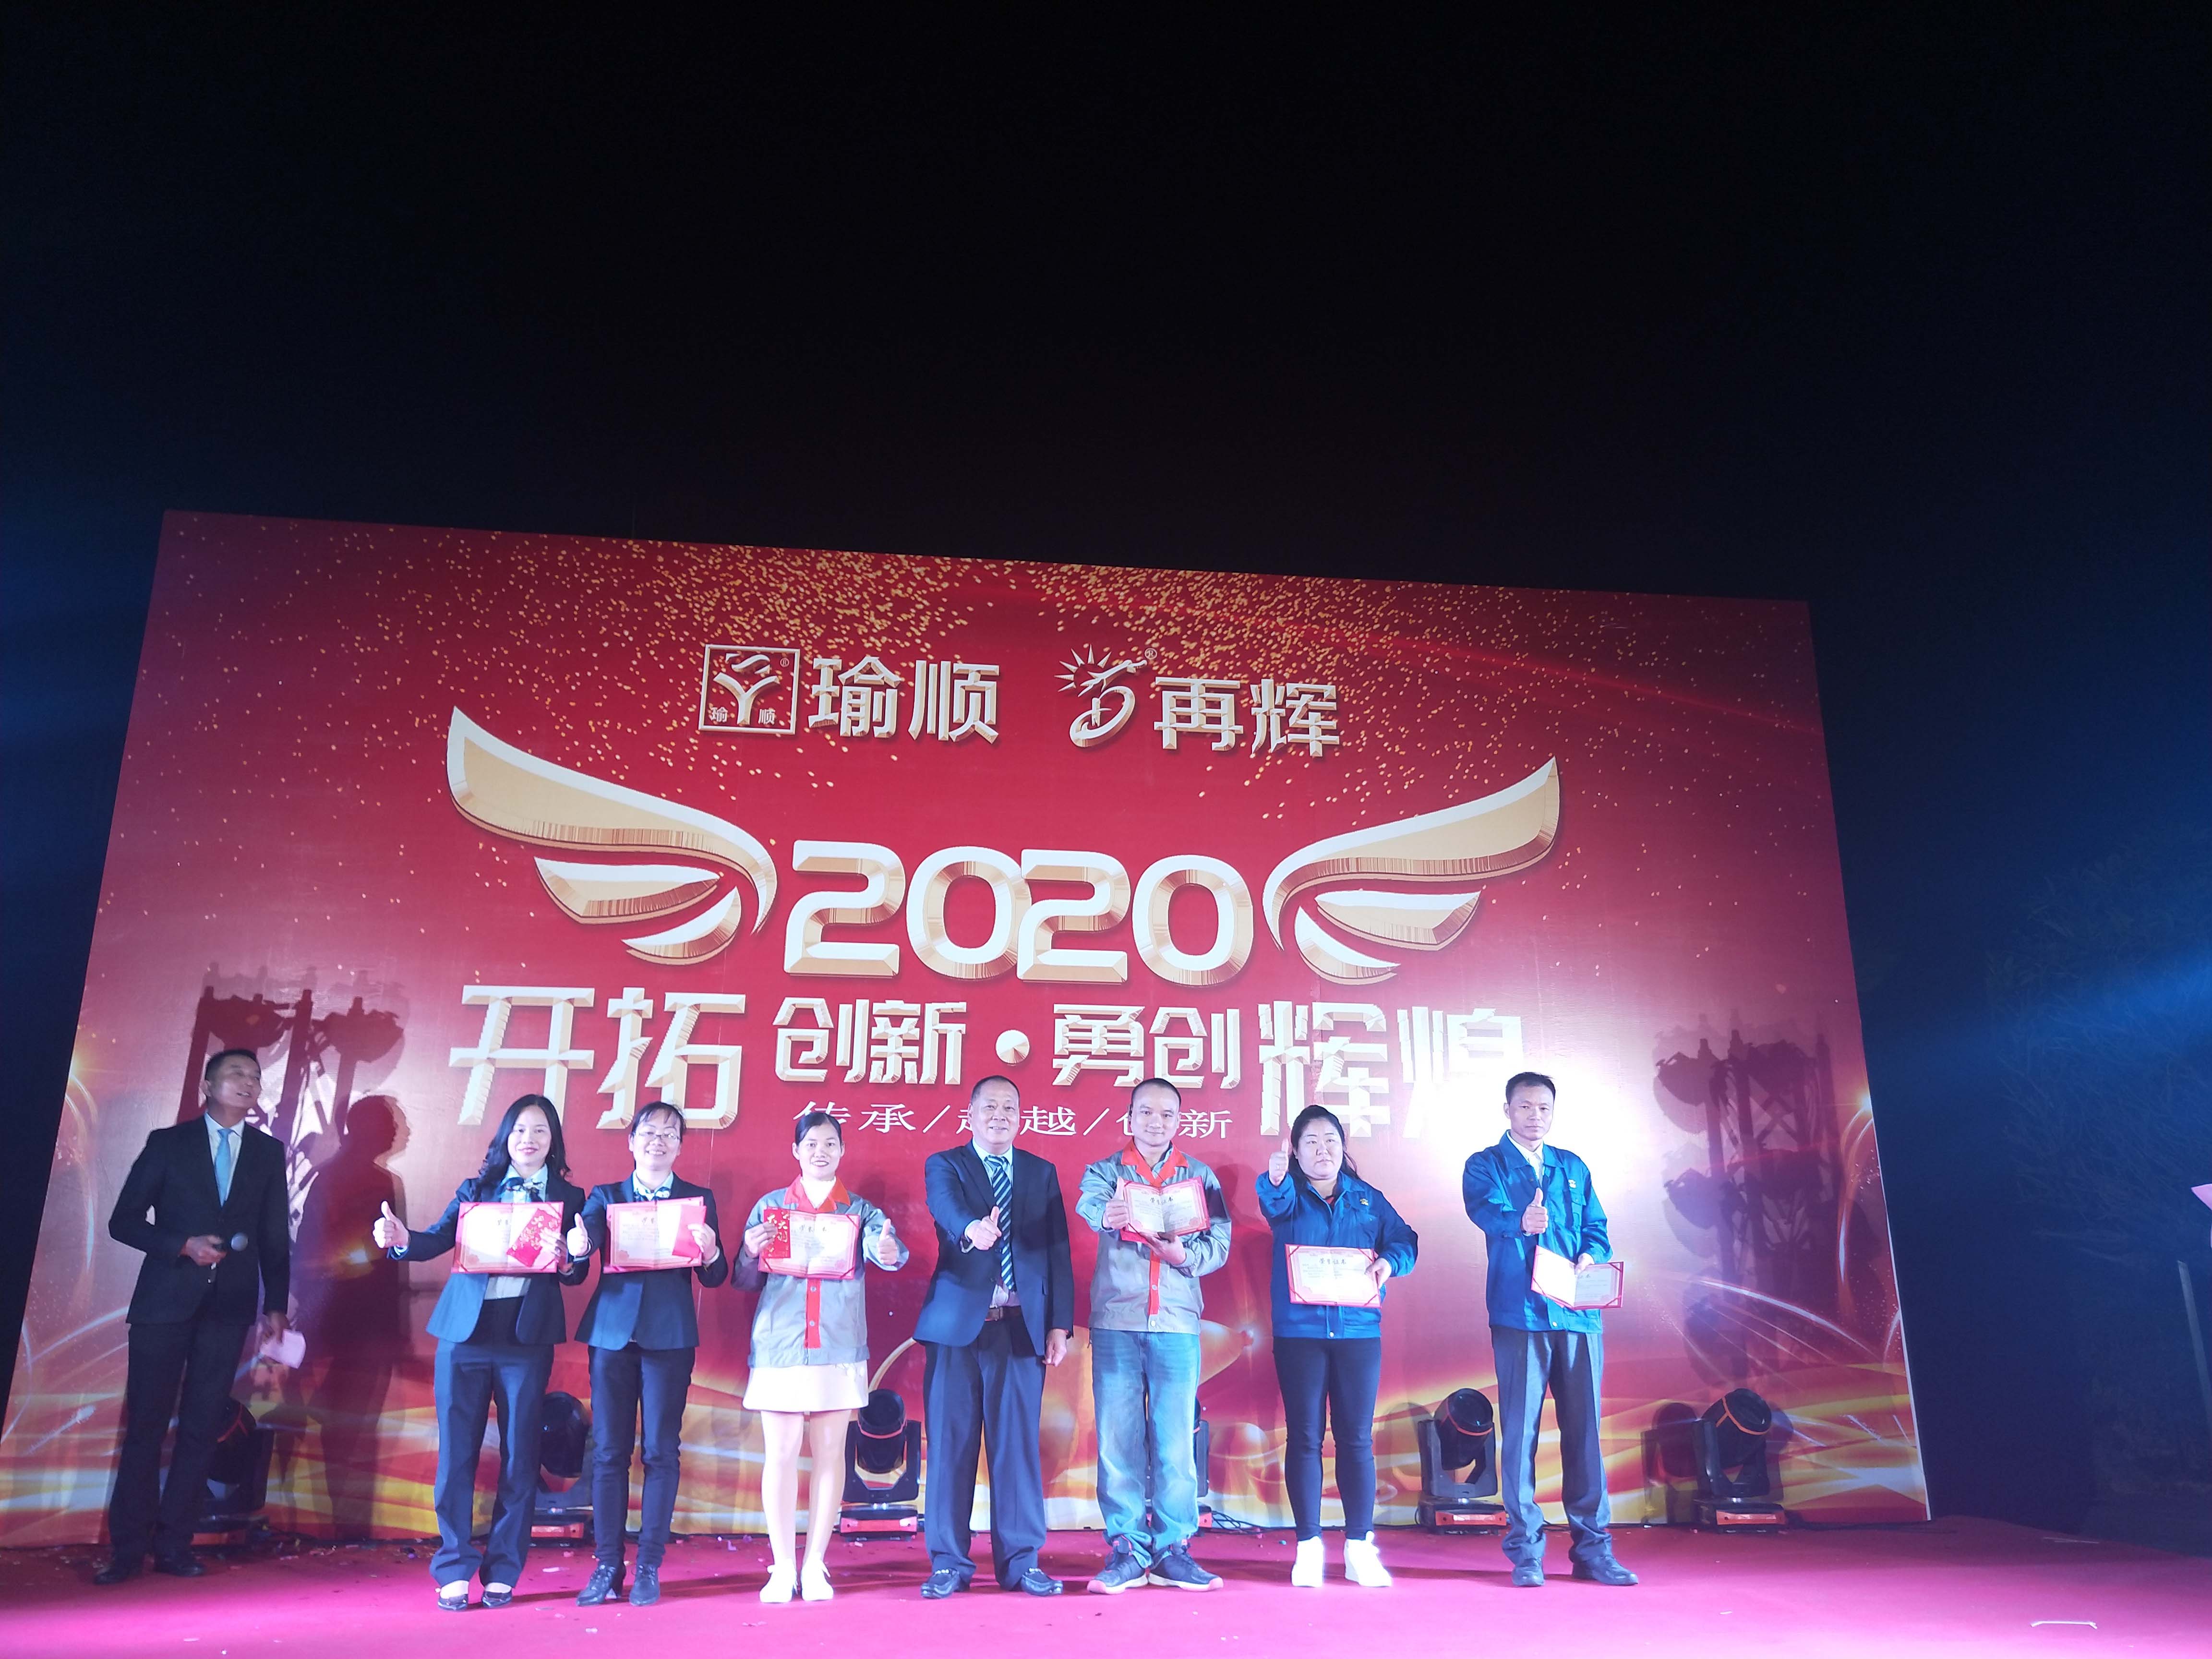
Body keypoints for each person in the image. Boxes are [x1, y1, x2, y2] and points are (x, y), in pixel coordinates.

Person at [372, 1093, 589, 1610]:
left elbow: (575, 1270)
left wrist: (567, 1259)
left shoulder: (570, 1197)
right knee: (457, 1455)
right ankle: (452, 1566)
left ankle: (504, 1569)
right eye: (520, 1130)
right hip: (465, 1336)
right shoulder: (478, 1188)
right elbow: (436, 1239)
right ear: (505, 1138)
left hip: (525, 1339)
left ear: (554, 1141)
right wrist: (401, 1239)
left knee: (520, 1456)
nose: (529, 1140)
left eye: (540, 1131)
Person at [98, 1048, 292, 1584]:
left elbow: (275, 1235)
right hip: (164, 1303)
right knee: (146, 1426)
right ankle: (127, 1550)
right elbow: (123, 1221)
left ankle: (175, 1545)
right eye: (236, 1074)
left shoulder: (267, 1152)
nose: (248, 1083)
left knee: (203, 1428)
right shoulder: (169, 1143)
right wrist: (182, 1245)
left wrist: (276, 1304)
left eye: (255, 1077)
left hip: (228, 1308)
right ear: (208, 1085)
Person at [1461, 1071, 1637, 1587]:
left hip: (1578, 1315)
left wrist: (1592, 1255)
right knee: (1521, 1434)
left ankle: (1594, 1551)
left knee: (1586, 1434)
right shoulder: (1486, 1164)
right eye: (1525, 1107)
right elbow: (1485, 1211)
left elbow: (1597, 1229)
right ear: (1507, 1110)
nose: (1534, 1116)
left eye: (1543, 1108)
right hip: (1522, 1315)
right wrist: (1521, 1220)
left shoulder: (1573, 1166)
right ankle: (1526, 1553)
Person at [732, 1110, 908, 1603]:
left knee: (830, 1455)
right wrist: (749, 1251)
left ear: (843, 1151)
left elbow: (887, 1251)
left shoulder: (859, 1210)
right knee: (781, 1455)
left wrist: (888, 1250)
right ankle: (782, 1566)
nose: (820, 1151)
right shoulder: (771, 1207)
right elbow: (743, 1279)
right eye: (811, 1143)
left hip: (837, 1344)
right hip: (781, 1345)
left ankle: (815, 1564)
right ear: (796, 1151)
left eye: (830, 1143)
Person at [914, 1075, 1075, 1599]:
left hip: (1019, 1329)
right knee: (950, 1448)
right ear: (971, 1114)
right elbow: (944, 1206)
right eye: (990, 1107)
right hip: (957, 1331)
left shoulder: (1040, 1172)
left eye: (1010, 1107)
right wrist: (972, 1228)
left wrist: (1059, 1324)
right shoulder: (947, 1164)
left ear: (1021, 1117)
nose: (1000, 1115)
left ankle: (1022, 1562)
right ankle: (948, 1564)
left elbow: (1057, 1251)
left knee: (1017, 1450)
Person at [565, 1100, 730, 1609]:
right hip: (612, 1336)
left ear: (680, 1147)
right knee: (609, 1452)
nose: (659, 1141)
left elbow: (715, 1276)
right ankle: (608, 1564)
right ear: (632, 1142)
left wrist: (711, 1251)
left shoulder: (697, 1200)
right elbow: (586, 1245)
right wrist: (578, 1245)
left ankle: (650, 1565)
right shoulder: (605, 1196)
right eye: (650, 1133)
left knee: (660, 1451)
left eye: (670, 1134)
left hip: (669, 1338)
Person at [1074, 1078, 1231, 1593]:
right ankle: (1126, 1548)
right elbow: (1088, 1206)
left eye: (1166, 1114)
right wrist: (1107, 1213)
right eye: (1146, 1112)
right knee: (1118, 1441)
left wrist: (1185, 1256)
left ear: (1179, 1122)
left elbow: (1219, 1244)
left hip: (1177, 1323)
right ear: (1130, 1118)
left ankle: (1172, 1550)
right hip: (1118, 1321)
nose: (1155, 1122)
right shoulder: (1106, 1172)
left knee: (1175, 1444)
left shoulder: (1200, 1178)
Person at [1257, 1104, 1418, 1588]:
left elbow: (1406, 1240)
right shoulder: (1288, 1195)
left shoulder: (1368, 1198)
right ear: (1295, 1151)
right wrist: (1277, 1181)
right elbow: (1273, 1203)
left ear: (1343, 1147)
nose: (1322, 1150)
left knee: (1356, 1439)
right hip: (1300, 1335)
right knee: (1305, 1438)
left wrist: (1390, 1262)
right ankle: (1308, 1546)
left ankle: (1358, 1547)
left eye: (1330, 1140)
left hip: (1358, 1334)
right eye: (1310, 1142)